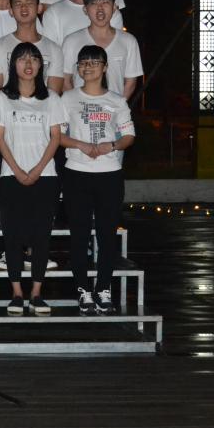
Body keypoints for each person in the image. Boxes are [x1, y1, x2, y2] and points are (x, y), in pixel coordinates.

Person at [59, 44, 136, 315]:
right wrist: (80, 144)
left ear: (105, 67)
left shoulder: (117, 100)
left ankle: (103, 289)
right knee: (79, 234)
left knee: (106, 235)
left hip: (109, 174)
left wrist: (111, 146)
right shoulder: (67, 98)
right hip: (76, 173)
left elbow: (128, 136)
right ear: (77, 68)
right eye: (83, 63)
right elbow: (58, 135)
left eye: (94, 62)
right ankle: (83, 290)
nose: (88, 67)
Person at [0, 42, 66, 316]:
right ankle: (16, 293)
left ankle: (36, 293)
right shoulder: (2, 98)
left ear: (40, 65)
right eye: (22, 59)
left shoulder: (52, 98)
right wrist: (17, 170)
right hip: (10, 176)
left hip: (45, 177)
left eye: (34, 59)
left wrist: (36, 170)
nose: (28, 64)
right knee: (12, 235)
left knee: (41, 236)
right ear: (13, 64)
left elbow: (55, 138)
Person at [61, 0, 143, 100]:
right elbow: (65, 80)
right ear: (85, 9)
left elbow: (131, 82)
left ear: (114, 8)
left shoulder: (129, 41)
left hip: (114, 109)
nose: (100, 8)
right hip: (80, 109)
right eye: (93, 3)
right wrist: (76, 105)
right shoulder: (71, 41)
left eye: (105, 3)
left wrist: (118, 107)